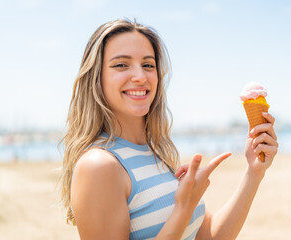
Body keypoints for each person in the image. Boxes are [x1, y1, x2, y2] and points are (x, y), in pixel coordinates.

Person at [60, 19, 278, 240]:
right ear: (96, 78)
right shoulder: (99, 166)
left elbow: (209, 237)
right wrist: (183, 208)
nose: (140, 76)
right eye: (121, 65)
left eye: (148, 65)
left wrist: (254, 172)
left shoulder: (157, 154)